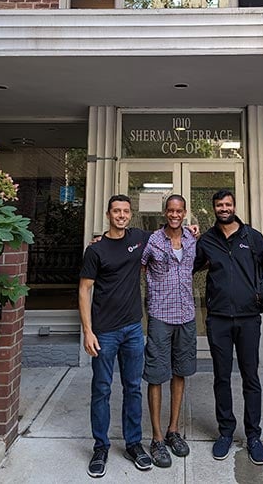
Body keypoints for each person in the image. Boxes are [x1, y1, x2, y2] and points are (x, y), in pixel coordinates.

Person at [193, 189, 263, 465]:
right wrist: (187, 237)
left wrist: (259, 291)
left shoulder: (251, 237)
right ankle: (226, 433)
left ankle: (253, 436)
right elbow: (189, 266)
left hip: (248, 318)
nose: (224, 208)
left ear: (234, 206)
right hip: (218, 318)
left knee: (250, 377)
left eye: (228, 204)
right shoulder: (206, 240)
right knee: (221, 377)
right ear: (213, 208)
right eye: (219, 204)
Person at [79, 194, 153, 478]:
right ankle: (101, 446)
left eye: (125, 211)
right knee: (102, 389)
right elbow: (85, 290)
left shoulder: (139, 237)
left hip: (134, 328)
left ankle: (133, 444)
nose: (121, 215)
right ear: (108, 214)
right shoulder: (96, 251)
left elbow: (169, 231)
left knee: (133, 387)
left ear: (130, 215)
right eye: (116, 211)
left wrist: (190, 229)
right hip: (105, 332)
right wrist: (88, 331)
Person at [141, 194, 197, 468]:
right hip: (160, 317)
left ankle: (174, 430)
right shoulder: (153, 241)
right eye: (170, 210)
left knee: (179, 372)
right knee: (156, 375)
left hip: (186, 316)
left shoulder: (191, 239)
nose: (175, 214)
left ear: (185, 212)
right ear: (165, 212)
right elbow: (134, 268)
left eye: (179, 210)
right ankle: (157, 437)